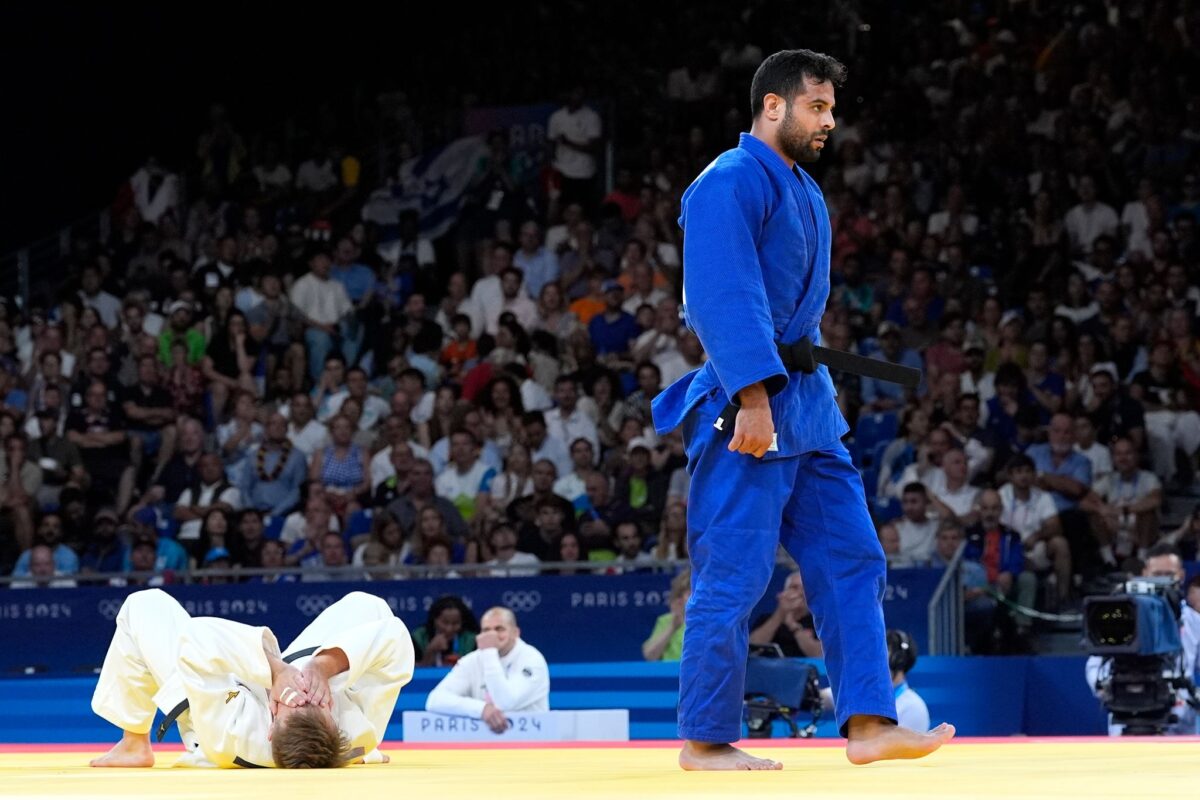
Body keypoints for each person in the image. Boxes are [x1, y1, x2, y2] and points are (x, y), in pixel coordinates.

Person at [649, 50, 953, 770]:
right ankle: (706, 739)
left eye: (832, 109)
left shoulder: (805, 189)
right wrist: (754, 397)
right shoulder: (728, 181)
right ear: (775, 106)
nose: (830, 121)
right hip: (751, 403)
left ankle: (871, 723)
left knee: (852, 556)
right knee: (735, 574)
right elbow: (722, 295)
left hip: (810, 409)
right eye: (818, 107)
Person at [88, 589, 413, 768]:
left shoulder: (230, 734)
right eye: (317, 700)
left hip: (215, 696)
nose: (304, 692)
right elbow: (395, 639)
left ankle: (133, 745)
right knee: (369, 606)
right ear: (333, 722)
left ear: (271, 726)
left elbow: (197, 637)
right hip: (337, 735)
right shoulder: (356, 734)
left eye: (297, 701)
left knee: (145, 604)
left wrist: (276, 671)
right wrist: (321, 669)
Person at [424, 606, 550, 733]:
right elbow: (434, 700)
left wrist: (489, 653)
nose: (492, 635)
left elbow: (505, 703)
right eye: (486, 630)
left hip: (531, 745)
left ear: (516, 633)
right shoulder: (472, 660)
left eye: (499, 629)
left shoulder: (532, 659)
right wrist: (481, 709)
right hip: (484, 746)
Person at [749, 570, 822, 657]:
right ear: (783, 593)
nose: (800, 593)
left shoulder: (818, 622)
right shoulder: (766, 619)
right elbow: (753, 647)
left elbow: (818, 654)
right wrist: (780, 614)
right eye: (794, 587)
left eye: (805, 589)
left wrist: (793, 626)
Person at [411, 596, 479, 667]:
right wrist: (431, 651)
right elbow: (410, 671)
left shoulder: (472, 640)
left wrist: (463, 663)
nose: (449, 629)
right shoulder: (419, 637)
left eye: (455, 623)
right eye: (445, 622)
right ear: (434, 619)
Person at [643, 568, 691, 661]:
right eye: (690, 593)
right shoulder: (666, 620)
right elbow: (650, 656)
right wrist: (672, 627)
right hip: (671, 674)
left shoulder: (711, 621)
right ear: (680, 597)